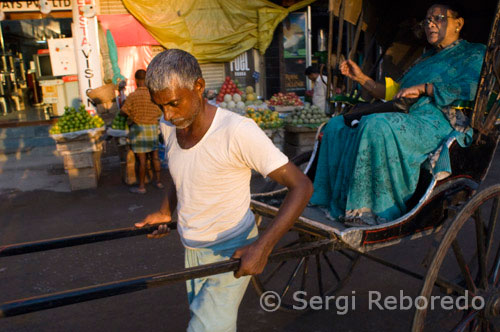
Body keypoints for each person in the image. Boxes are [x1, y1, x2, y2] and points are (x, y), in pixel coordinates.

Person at [134, 49, 313, 332]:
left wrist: (262, 247)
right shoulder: (169, 126)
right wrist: (166, 212)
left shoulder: (237, 131)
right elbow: (182, 175)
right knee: (204, 318)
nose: (168, 114)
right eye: (161, 107)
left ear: (199, 86)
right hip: (192, 248)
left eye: (174, 103)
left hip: (233, 249)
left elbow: (301, 186)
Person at [310, 2, 486, 226]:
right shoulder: (426, 58)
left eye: (438, 18)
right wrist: (362, 78)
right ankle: (328, 200)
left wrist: (426, 89)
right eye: (427, 20)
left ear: (458, 23)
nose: (430, 23)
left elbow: (474, 88)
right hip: (408, 114)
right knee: (335, 126)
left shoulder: (474, 54)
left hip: (439, 120)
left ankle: (373, 210)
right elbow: (398, 91)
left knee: (376, 125)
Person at [120, 69, 164, 194]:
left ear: (137, 81)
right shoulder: (153, 96)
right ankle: (159, 182)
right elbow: (159, 113)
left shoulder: (132, 96)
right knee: (155, 157)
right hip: (152, 129)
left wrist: (130, 116)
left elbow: (123, 111)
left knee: (142, 160)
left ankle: (141, 187)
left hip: (138, 130)